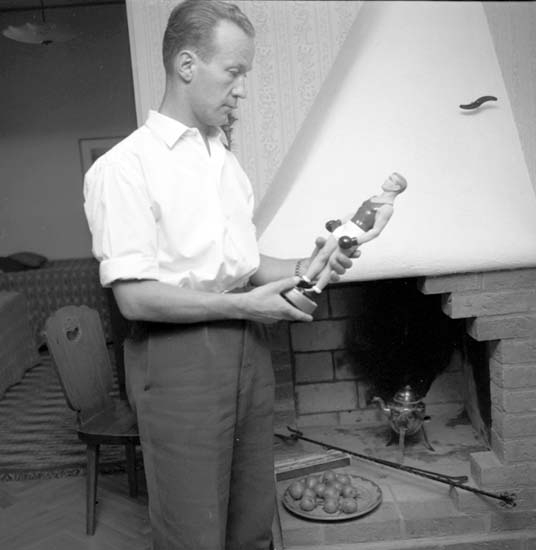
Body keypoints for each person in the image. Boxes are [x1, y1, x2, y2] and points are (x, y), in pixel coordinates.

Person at [83, 1, 355, 549]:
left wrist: (310, 264)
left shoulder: (223, 161)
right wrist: (244, 307)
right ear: (187, 65)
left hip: (248, 351)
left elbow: (246, 266)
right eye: (234, 72)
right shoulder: (124, 168)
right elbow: (135, 299)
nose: (242, 89)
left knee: (253, 521)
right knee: (194, 532)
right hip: (176, 360)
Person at [299, 172, 407, 295]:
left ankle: (316, 289)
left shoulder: (387, 208)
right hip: (347, 226)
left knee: (332, 262)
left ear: (396, 187)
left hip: (356, 233)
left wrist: (354, 241)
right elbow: (355, 214)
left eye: (390, 179)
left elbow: (376, 231)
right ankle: (304, 280)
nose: (386, 180)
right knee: (323, 253)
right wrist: (339, 222)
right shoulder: (373, 198)